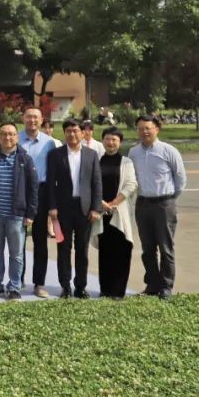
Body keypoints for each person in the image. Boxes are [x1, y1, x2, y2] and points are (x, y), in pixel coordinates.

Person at [128, 114, 187, 300]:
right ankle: (152, 285)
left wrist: (169, 198)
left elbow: (180, 178)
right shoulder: (133, 152)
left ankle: (166, 286)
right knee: (147, 248)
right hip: (143, 204)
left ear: (156, 129)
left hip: (164, 204)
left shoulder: (169, 151)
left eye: (148, 128)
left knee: (165, 247)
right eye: (140, 128)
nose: (144, 131)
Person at [47, 119, 102, 299]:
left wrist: (96, 208)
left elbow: (96, 183)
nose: (72, 134)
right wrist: (52, 206)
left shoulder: (91, 154)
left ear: (83, 133)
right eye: (69, 131)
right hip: (62, 209)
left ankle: (80, 286)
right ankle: (65, 286)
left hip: (84, 209)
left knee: (82, 249)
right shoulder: (55, 154)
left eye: (76, 130)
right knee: (63, 248)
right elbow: (51, 183)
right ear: (64, 133)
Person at [0, 123, 38, 301]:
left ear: (17, 137)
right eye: (3, 134)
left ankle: (14, 287)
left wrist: (30, 214)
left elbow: (33, 188)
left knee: (16, 255)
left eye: (11, 134)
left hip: (17, 216)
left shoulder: (25, 159)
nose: (7, 137)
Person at [91, 127, 137, 299]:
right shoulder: (96, 161)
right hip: (101, 213)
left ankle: (118, 291)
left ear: (120, 142)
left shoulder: (127, 162)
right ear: (102, 141)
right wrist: (102, 204)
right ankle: (105, 289)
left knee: (122, 250)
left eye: (114, 140)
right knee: (105, 252)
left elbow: (131, 185)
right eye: (107, 139)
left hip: (120, 212)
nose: (110, 143)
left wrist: (113, 203)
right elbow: (91, 184)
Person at [19, 106, 56, 298]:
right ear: (23, 118)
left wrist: (52, 202)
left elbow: (54, 173)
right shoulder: (15, 139)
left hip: (41, 192)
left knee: (40, 240)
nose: (32, 120)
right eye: (29, 117)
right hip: (19, 192)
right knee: (18, 240)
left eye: (36, 117)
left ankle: (39, 283)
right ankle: (17, 281)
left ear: (41, 120)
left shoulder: (50, 143)